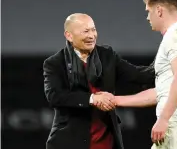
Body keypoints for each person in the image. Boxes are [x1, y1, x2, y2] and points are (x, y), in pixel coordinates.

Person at [43, 13, 155, 149]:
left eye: (93, 29)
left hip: (106, 142)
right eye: (85, 31)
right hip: (70, 142)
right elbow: (55, 96)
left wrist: (169, 59)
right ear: (69, 35)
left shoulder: (107, 56)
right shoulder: (55, 63)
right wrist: (92, 99)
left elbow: (138, 75)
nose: (91, 35)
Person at [115, 0, 177, 149]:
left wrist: (164, 119)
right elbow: (163, 92)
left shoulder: (175, 36)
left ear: (159, 10)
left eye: (149, 11)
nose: (148, 17)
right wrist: (117, 100)